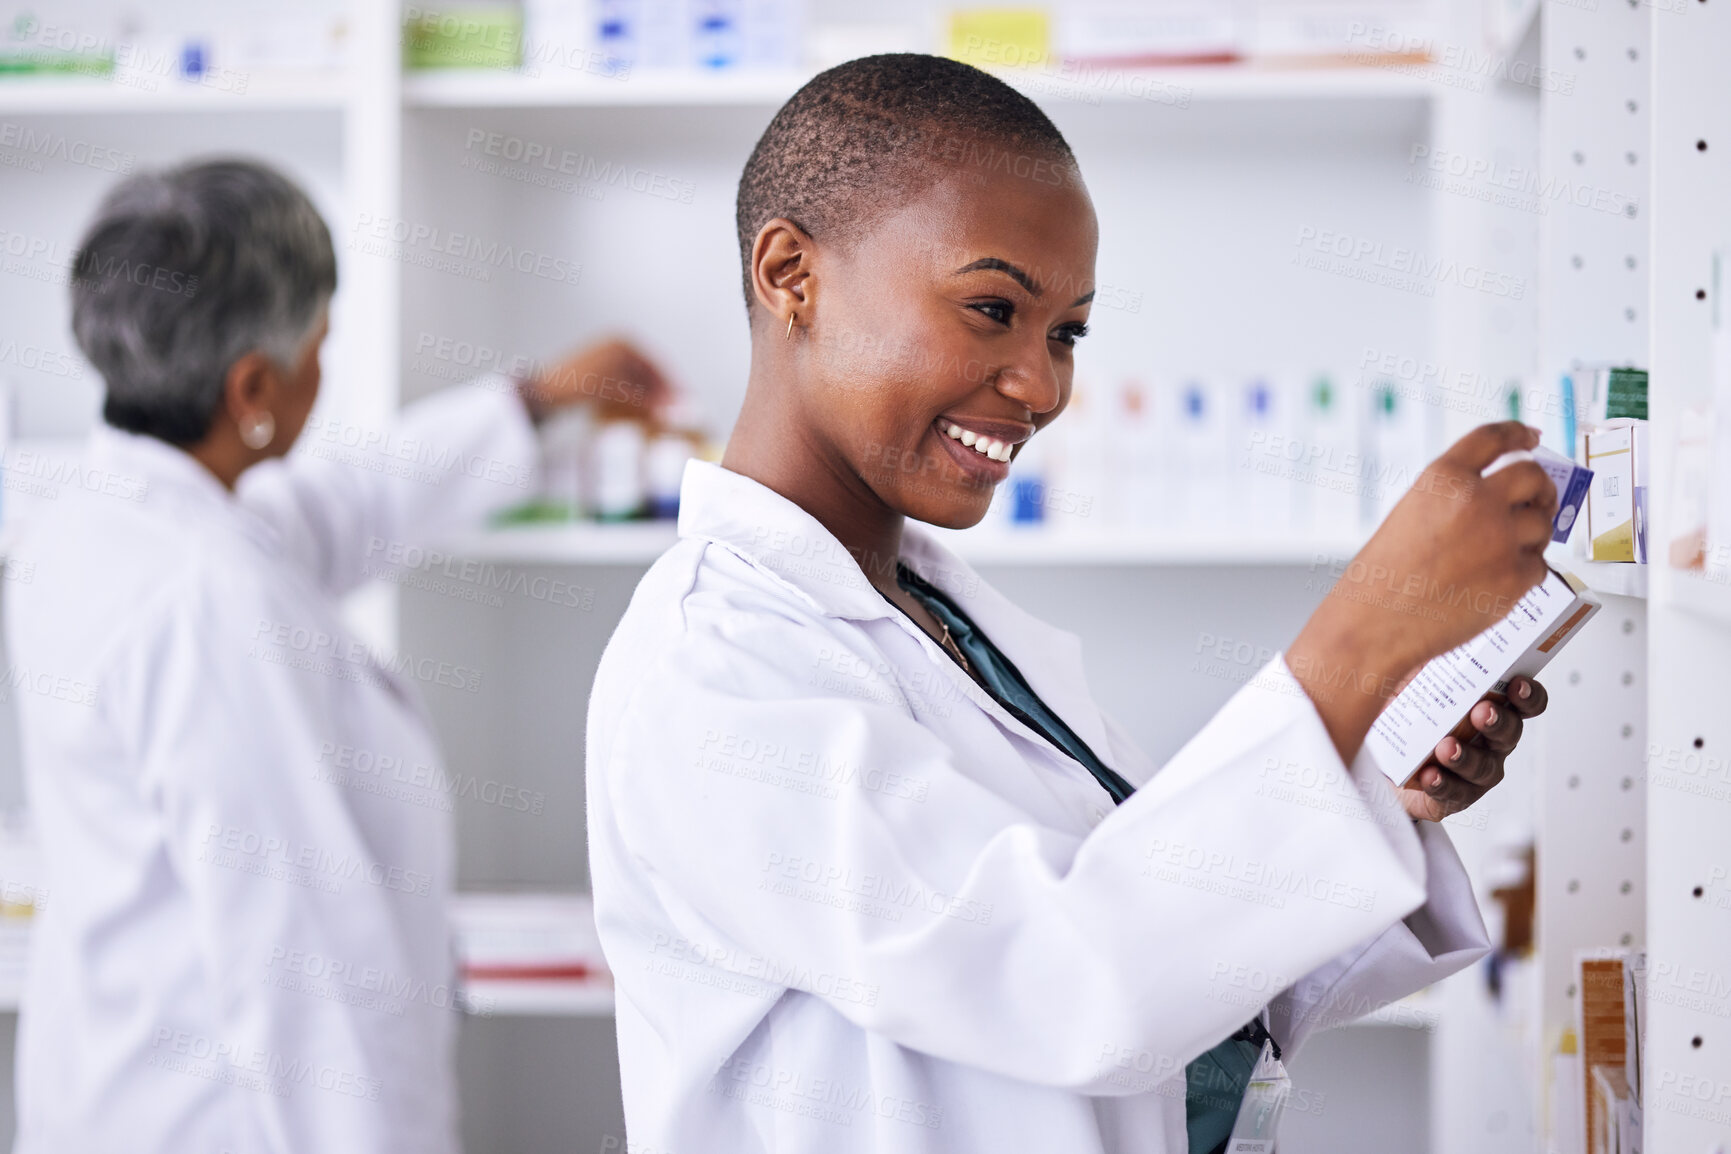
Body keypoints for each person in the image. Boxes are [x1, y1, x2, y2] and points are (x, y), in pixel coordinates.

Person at [585, 54, 1558, 1154]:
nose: (1043, 387)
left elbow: (1156, 942)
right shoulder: (712, 663)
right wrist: (1360, 638)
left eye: (1066, 332)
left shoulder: (943, 620)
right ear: (791, 274)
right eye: (992, 308)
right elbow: (1065, 980)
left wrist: (1372, 783)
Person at [3, 159, 670, 1153]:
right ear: (254, 388)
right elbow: (298, 960)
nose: (328, 358)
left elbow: (346, 500)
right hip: (224, 1120)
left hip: (119, 1089)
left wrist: (534, 401)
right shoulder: (205, 600)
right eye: (322, 338)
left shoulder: (107, 521)